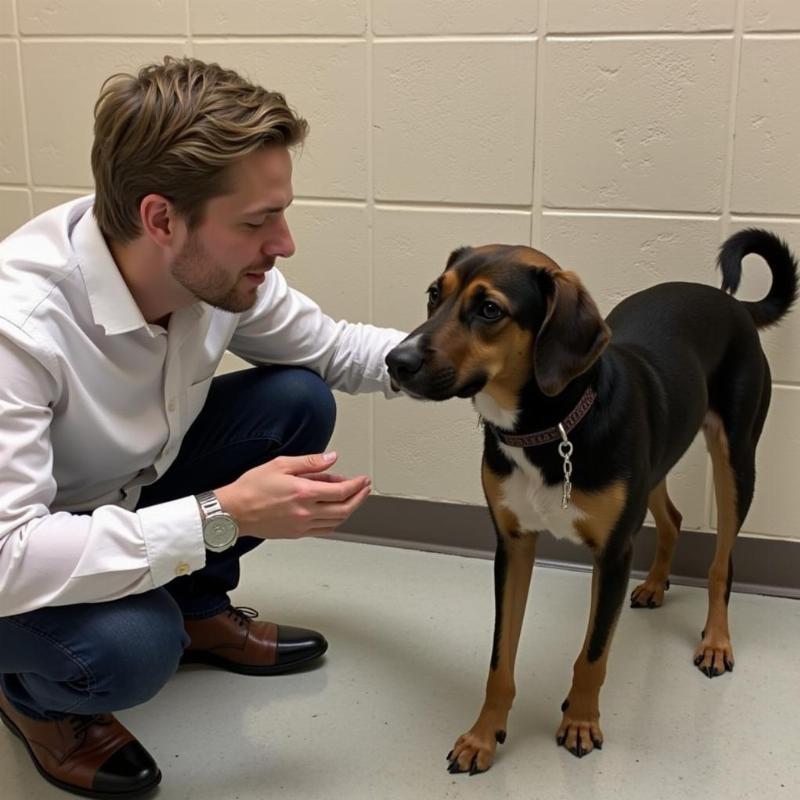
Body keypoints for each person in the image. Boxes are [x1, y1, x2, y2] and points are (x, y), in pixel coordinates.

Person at [0, 56, 406, 798]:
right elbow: (9, 557)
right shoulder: (18, 327)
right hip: (15, 556)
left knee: (297, 399)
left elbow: (338, 350)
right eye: (257, 221)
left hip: (115, 500)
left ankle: (195, 610)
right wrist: (223, 516)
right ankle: (35, 698)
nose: (282, 244)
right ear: (161, 218)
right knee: (130, 647)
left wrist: (483, 361)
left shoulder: (212, 274)